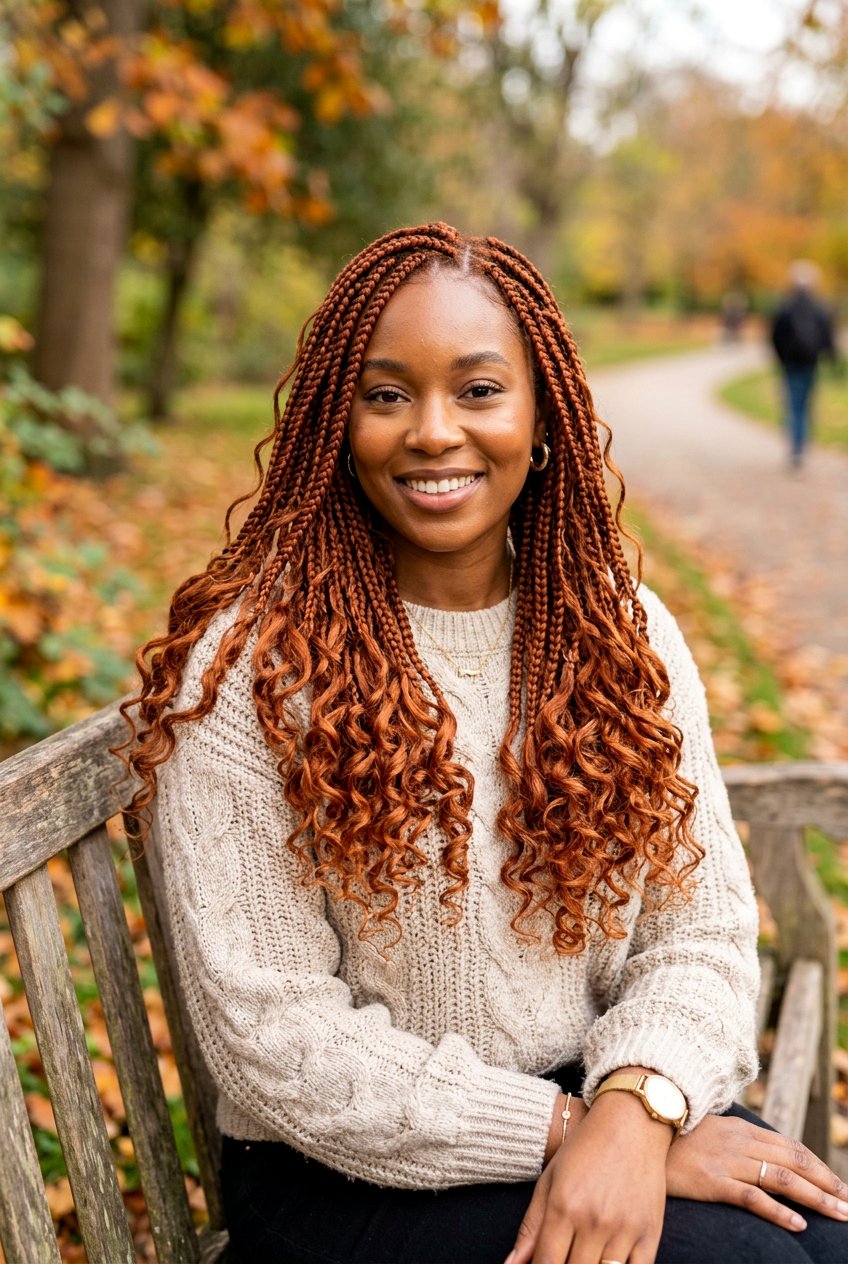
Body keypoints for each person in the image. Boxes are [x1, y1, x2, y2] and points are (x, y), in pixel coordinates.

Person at [124, 224, 848, 1264]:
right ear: (336, 422)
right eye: (385, 395)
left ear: (541, 415)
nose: (431, 431)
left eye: (475, 390)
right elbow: (276, 1044)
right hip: (339, 1170)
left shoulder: (621, 632)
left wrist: (636, 1108)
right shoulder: (250, 670)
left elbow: (702, 937)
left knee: (824, 1238)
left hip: (592, 1098)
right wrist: (568, 1134)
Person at [770, 260, 837, 468]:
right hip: (810, 363)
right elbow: (827, 338)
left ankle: (796, 448)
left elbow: (775, 337)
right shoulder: (819, 308)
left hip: (791, 364)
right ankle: (802, 445)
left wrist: (782, 359)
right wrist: (830, 358)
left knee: (794, 405)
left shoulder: (785, 306)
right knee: (806, 405)